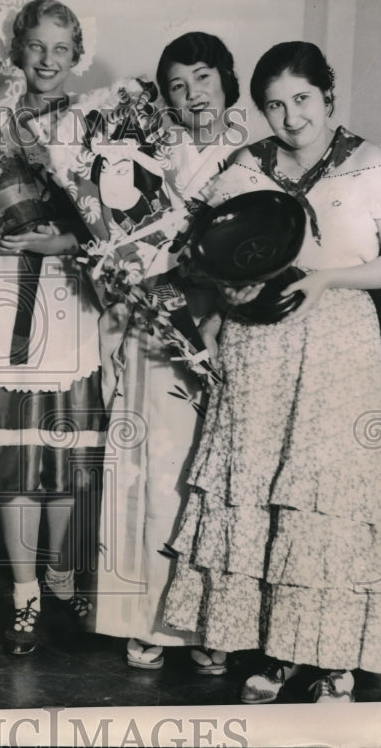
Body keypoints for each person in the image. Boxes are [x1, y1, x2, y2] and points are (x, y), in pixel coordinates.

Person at [161, 40, 381, 702]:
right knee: (263, 494)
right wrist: (215, 324)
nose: (291, 115)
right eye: (274, 104)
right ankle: (279, 652)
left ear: (328, 98)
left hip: (336, 344)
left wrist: (325, 277)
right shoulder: (246, 164)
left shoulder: (366, 163)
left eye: (302, 99)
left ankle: (332, 659)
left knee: (323, 497)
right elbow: (209, 259)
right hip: (258, 349)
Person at [55, 33, 244, 673]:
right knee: (155, 474)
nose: (192, 97)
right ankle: (151, 621)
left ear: (227, 80)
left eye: (202, 80)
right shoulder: (146, 155)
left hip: (227, 328)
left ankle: (218, 621)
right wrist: (112, 263)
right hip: (152, 327)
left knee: (216, 480)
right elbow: (114, 225)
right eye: (176, 87)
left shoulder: (254, 156)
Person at [0, 0, 106, 656]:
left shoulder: (95, 126)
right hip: (3, 296)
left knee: (63, 456)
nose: (47, 60)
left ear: (77, 57)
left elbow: (110, 224)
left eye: (60, 49)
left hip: (69, 300)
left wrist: (64, 243)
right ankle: (22, 593)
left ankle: (59, 571)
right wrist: (0, 234)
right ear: (17, 52)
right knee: (15, 458)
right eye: (36, 47)